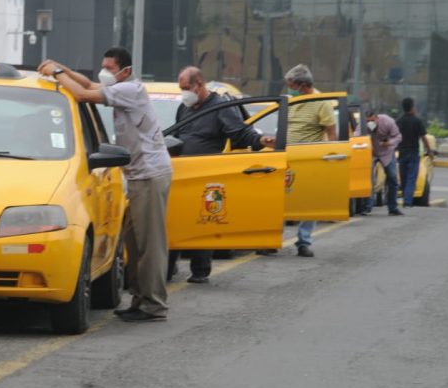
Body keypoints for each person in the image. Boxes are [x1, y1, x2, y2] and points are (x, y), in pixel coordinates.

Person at [38, 48, 172, 322]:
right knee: (134, 244)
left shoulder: (130, 90)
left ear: (125, 70)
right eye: (103, 67)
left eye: (109, 68)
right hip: (137, 175)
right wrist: (58, 65)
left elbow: (82, 94)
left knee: (150, 244)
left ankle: (154, 304)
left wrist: (57, 73)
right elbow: (87, 84)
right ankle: (139, 298)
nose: (104, 72)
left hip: (149, 175)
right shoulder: (121, 86)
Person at [170, 66, 275, 283]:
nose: (184, 93)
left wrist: (261, 141)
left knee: (202, 220)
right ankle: (168, 268)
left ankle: (200, 270)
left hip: (205, 173)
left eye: (186, 88)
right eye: (181, 89)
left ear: (200, 85)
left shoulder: (220, 107)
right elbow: (175, 134)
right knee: (175, 220)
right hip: (180, 172)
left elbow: (241, 132)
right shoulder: (184, 108)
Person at [283, 63, 337, 257]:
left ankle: (303, 241)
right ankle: (271, 239)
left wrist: (332, 156)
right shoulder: (291, 102)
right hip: (287, 157)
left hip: (310, 158)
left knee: (309, 201)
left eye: (291, 85)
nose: (289, 89)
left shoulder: (321, 102)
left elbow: (331, 131)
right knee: (280, 199)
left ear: (302, 85)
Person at [362, 108, 404, 216]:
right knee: (368, 179)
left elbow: (398, 136)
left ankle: (393, 207)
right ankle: (367, 206)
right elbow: (357, 135)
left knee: (393, 179)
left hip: (387, 153)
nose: (369, 123)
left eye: (371, 121)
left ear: (376, 118)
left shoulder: (387, 121)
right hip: (372, 153)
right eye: (367, 121)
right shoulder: (363, 124)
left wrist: (389, 142)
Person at [395, 97, 433, 208]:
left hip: (402, 153)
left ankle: (405, 199)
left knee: (404, 177)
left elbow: (395, 136)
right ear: (412, 108)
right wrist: (429, 150)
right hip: (413, 153)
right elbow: (423, 137)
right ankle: (407, 202)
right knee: (412, 177)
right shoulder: (417, 121)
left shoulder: (399, 121)